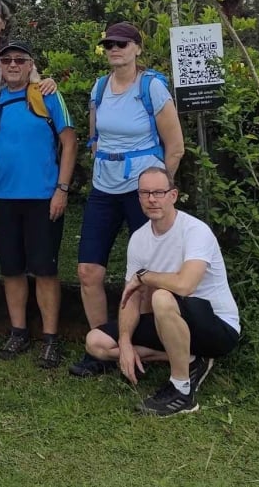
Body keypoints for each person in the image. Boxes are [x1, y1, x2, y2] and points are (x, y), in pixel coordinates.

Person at [70, 22, 186, 377]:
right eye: (108, 44)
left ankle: (148, 343)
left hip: (144, 193)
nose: (114, 49)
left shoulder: (151, 87)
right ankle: (101, 346)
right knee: (88, 271)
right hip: (105, 188)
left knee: (149, 275)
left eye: (121, 43)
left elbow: (176, 147)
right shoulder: (101, 86)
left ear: (137, 47)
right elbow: (94, 136)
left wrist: (159, 193)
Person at [83, 167, 240, 416]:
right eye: (145, 193)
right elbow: (130, 298)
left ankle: (182, 391)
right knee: (96, 343)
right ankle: (190, 359)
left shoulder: (195, 231)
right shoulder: (139, 239)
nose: (152, 199)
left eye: (158, 192)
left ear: (173, 195)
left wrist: (145, 277)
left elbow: (185, 285)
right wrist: (124, 342)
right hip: (168, 320)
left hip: (217, 327)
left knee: (162, 296)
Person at [0, 40, 77, 369]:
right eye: (6, 59)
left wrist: (62, 189)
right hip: (3, 198)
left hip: (42, 198)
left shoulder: (47, 95)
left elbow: (69, 143)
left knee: (45, 269)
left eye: (19, 60)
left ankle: (51, 338)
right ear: (0, 65)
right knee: (11, 269)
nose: (12, 64)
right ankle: (18, 331)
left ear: (29, 64)